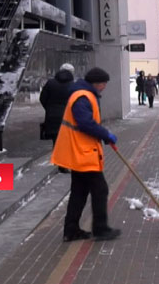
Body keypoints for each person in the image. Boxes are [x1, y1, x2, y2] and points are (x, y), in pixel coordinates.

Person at [51, 67, 121, 242]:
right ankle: (100, 229)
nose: (105, 87)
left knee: (79, 192)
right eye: (104, 83)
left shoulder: (83, 94)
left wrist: (103, 136)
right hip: (82, 152)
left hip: (81, 150)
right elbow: (85, 123)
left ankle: (71, 230)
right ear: (97, 83)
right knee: (100, 189)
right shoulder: (83, 97)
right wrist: (105, 134)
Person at [40, 63, 75, 173]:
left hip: (52, 116)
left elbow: (42, 98)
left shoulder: (50, 83)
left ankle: (58, 161)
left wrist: (49, 108)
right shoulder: (73, 85)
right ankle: (63, 164)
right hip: (67, 117)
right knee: (66, 140)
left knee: (56, 139)